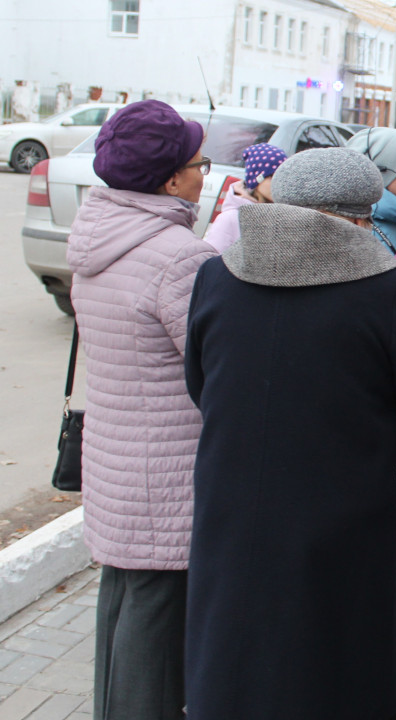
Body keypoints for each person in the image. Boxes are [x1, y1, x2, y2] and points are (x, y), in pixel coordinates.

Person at [183, 148, 396, 720]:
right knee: (333, 666)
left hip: (231, 509)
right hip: (339, 520)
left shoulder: (216, 275)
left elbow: (200, 383)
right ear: (356, 219)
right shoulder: (384, 290)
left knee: (234, 659)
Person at [65, 99, 215, 720]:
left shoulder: (98, 238)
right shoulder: (179, 257)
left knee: (124, 607)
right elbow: (215, 370)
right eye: (199, 163)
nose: (206, 174)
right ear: (171, 179)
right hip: (168, 476)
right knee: (156, 632)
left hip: (119, 466)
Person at [201, 142, 287, 252]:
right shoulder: (230, 218)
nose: (278, 182)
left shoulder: (284, 216)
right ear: (257, 179)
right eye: (272, 176)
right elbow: (213, 259)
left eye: (282, 176)